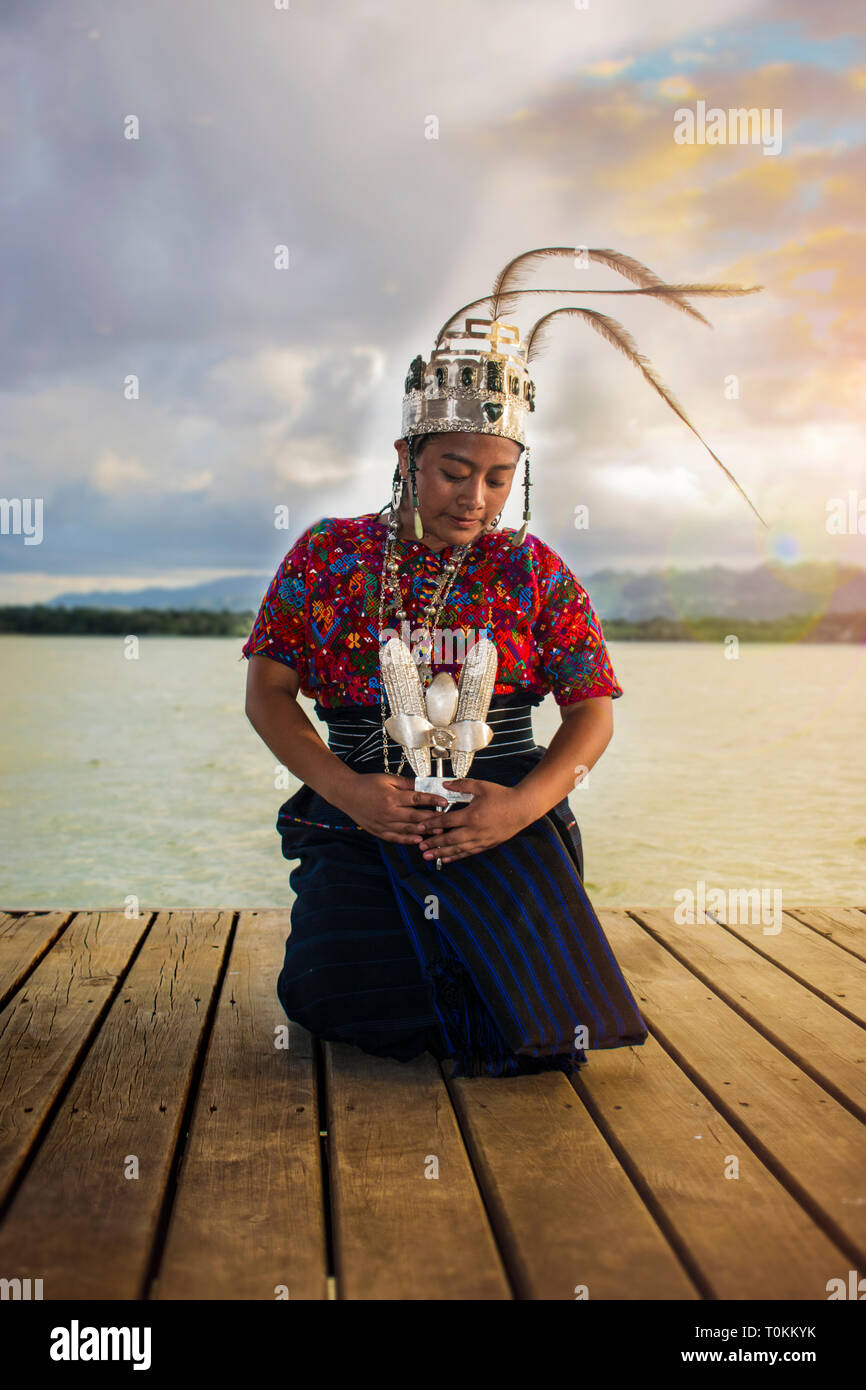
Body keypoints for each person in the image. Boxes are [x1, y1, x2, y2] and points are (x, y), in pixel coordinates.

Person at [242, 247, 764, 1077]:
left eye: (497, 476)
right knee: (331, 997)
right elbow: (267, 690)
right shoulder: (329, 556)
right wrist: (351, 793)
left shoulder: (533, 569)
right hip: (367, 801)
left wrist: (518, 810)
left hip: (502, 805)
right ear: (407, 455)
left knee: (543, 1019)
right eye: (453, 470)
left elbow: (592, 710)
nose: (474, 498)